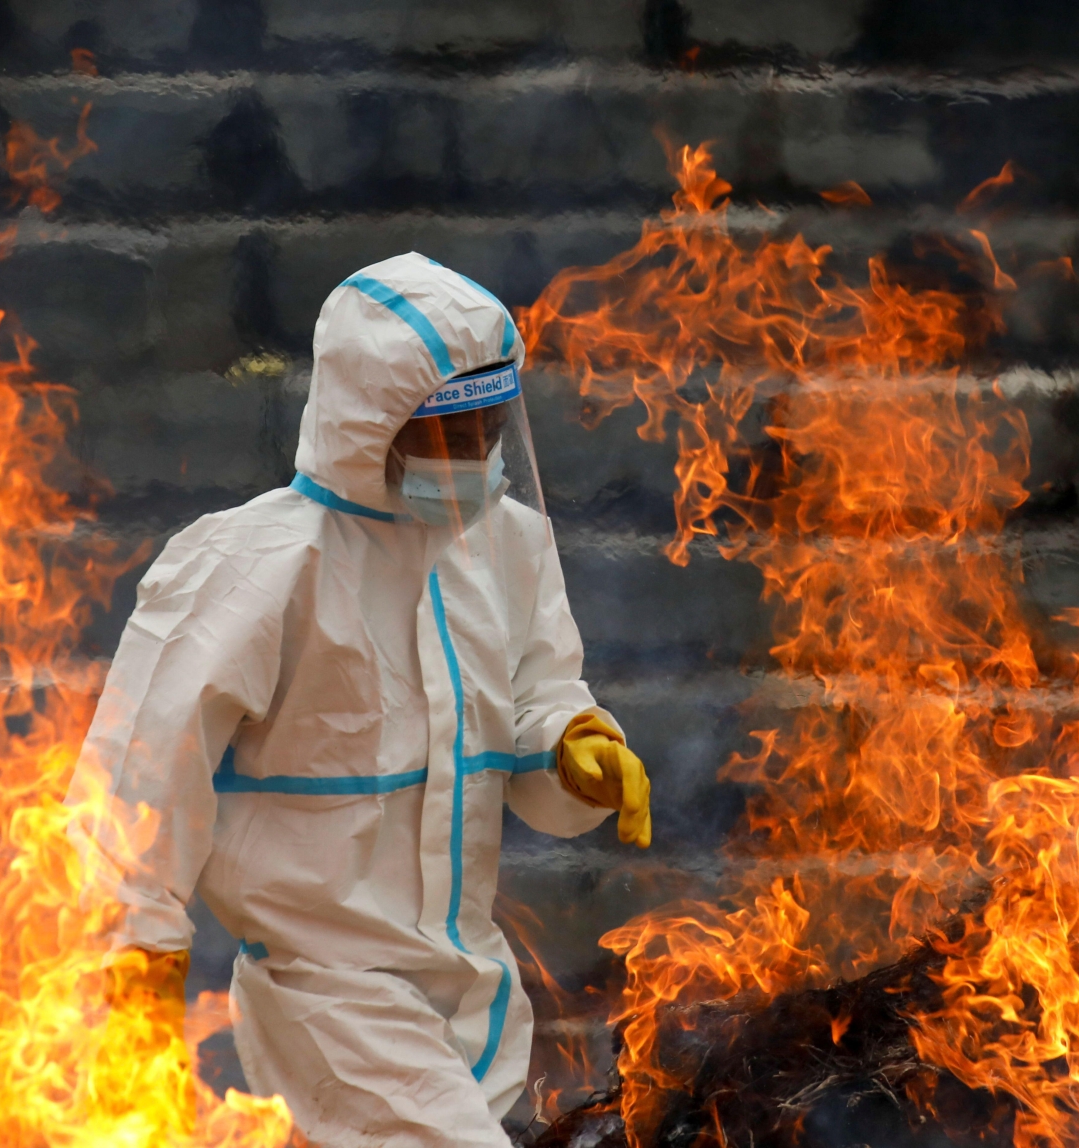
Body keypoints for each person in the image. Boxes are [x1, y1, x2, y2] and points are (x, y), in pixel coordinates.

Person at [67, 252, 651, 1148]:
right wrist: (137, 955)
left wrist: (572, 745)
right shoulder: (255, 566)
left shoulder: (509, 546)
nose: (479, 456)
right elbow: (139, 775)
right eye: (451, 435)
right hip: (325, 992)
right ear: (369, 425)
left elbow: (535, 694)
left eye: (491, 428)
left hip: (470, 987)